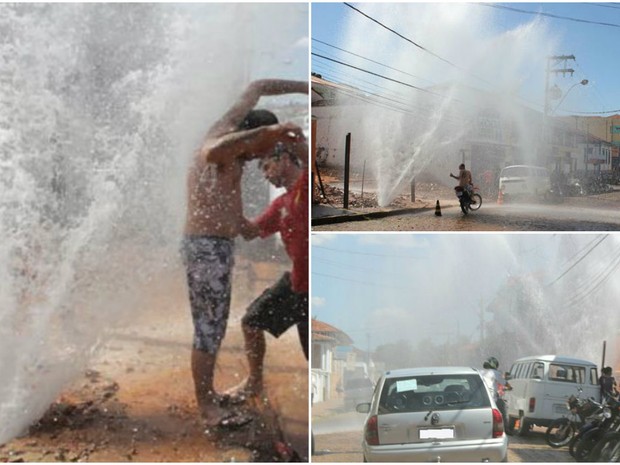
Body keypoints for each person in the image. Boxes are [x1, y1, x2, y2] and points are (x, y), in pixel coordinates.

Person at [182, 79, 307, 428]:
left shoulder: (231, 129)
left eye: (266, 160)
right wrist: (267, 135)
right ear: (256, 136)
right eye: (259, 154)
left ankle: (212, 397)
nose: (257, 162)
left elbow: (258, 86)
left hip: (215, 246)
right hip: (208, 246)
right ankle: (207, 405)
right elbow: (211, 152)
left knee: (215, 326)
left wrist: (303, 88)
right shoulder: (222, 146)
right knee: (210, 328)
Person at [230, 134, 309, 401]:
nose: (265, 175)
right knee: (251, 322)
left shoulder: (309, 186)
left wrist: (280, 131)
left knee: (316, 357)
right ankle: (254, 384)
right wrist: (231, 205)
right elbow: (251, 231)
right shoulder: (281, 204)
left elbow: (307, 153)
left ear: (284, 158)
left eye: (266, 166)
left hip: (319, 291)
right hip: (298, 285)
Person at [480, 357, 509, 427]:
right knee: (503, 406)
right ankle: (506, 428)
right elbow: (505, 383)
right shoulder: (495, 373)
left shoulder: (480, 372)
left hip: (481, 398)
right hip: (492, 398)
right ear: (494, 365)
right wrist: (510, 387)